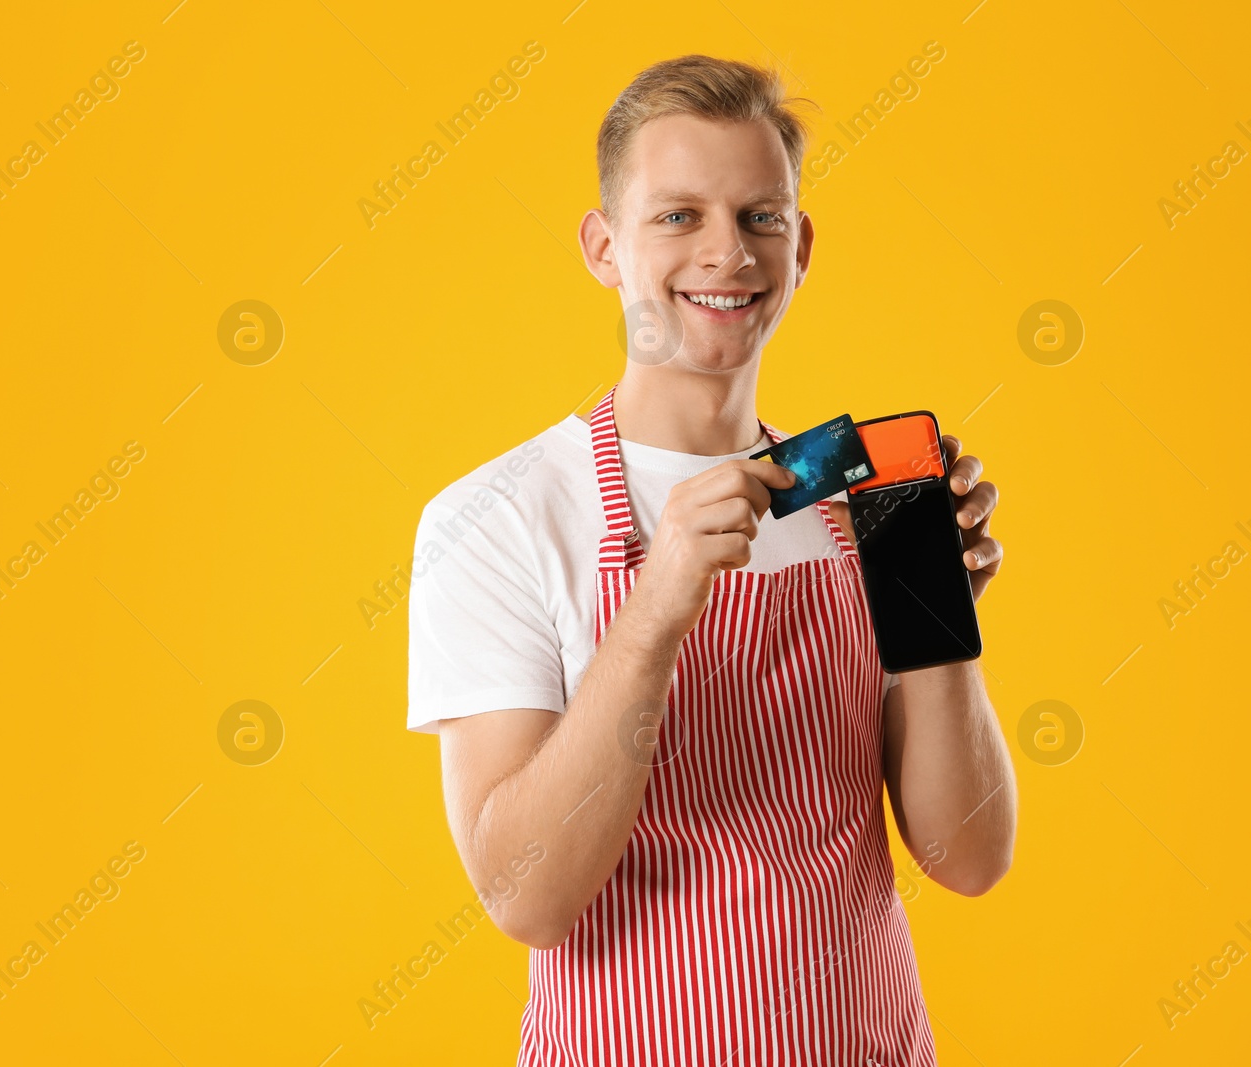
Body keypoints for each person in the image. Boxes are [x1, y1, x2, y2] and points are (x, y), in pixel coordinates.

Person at [405, 55, 1017, 1065]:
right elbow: (527, 894)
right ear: (604, 248)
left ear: (801, 244)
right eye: (678, 217)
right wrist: (656, 602)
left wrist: (937, 619)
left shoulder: (862, 499)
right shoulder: (498, 517)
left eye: (759, 216)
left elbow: (967, 857)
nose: (726, 254)